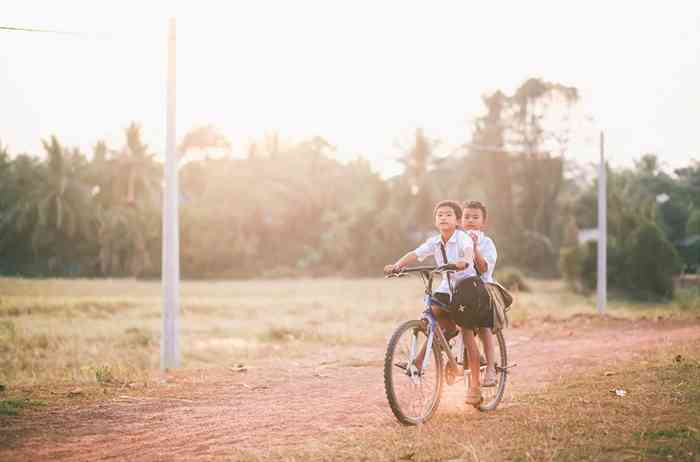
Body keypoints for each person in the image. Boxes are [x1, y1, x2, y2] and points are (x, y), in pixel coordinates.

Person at [384, 200, 484, 406]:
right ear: (435, 220)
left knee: (466, 332)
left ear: (457, 220)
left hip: (467, 289)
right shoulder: (435, 241)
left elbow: (467, 253)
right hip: (447, 288)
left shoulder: (462, 238)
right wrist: (397, 265)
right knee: (432, 314)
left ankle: (475, 386)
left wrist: (463, 262)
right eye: (439, 215)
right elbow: (416, 254)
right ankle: (422, 358)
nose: (443, 217)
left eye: (448, 214)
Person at [461, 200, 499, 387]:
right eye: (466, 217)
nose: (470, 220)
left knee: (484, 329)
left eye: (475, 217)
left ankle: (491, 369)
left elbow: (483, 269)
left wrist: (475, 247)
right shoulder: (456, 239)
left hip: (482, 290)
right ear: (460, 220)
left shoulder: (487, 243)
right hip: (461, 290)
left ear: (483, 222)